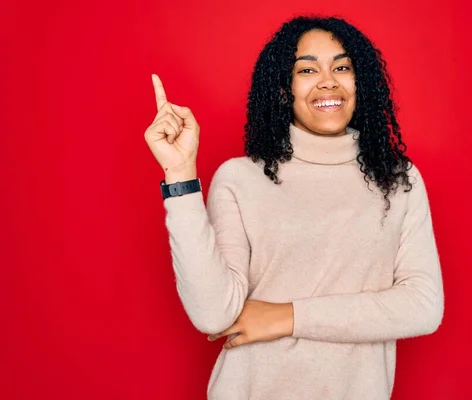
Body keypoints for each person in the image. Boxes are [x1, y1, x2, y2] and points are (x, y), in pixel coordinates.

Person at [144, 15, 444, 400]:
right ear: (284, 88)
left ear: (359, 82)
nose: (328, 80)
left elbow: (422, 305)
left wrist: (286, 317)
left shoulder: (398, 180)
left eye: (341, 66)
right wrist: (179, 174)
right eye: (307, 69)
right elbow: (213, 314)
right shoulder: (240, 179)